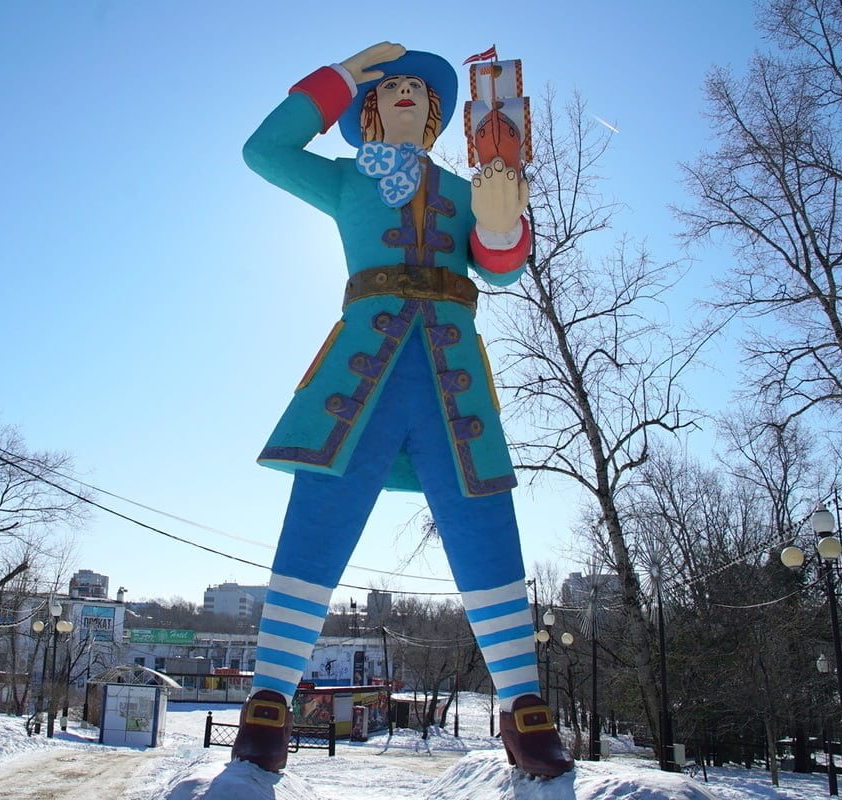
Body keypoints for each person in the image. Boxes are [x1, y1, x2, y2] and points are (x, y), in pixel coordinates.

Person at [230, 42, 573, 778]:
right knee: (318, 518)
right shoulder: (347, 180)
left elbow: (499, 266)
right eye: (393, 88)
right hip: (360, 382)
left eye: (422, 89)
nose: (410, 93)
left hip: (452, 382)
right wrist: (340, 77)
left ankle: (522, 707)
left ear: (439, 118)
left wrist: (504, 221)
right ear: (370, 114)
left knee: (484, 517)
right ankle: (268, 702)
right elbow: (264, 149)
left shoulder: (463, 187)